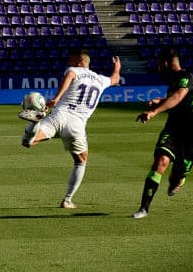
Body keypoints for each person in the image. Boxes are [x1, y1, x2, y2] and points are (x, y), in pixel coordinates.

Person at [20, 48, 120, 209]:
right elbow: (115, 79)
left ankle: (33, 122)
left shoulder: (74, 70)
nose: (68, 62)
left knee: (29, 142)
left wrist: (57, 97)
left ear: (80, 61)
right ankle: (67, 200)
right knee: (81, 161)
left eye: (72, 59)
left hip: (59, 115)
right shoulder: (100, 79)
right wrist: (117, 66)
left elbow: (70, 76)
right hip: (77, 125)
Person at [132, 47, 193, 219]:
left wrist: (154, 112)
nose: (158, 67)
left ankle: (179, 179)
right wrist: (160, 101)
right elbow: (175, 100)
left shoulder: (187, 78)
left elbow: (178, 98)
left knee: (175, 179)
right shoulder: (174, 80)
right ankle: (143, 208)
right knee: (161, 162)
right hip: (173, 128)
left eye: (160, 63)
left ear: (165, 62)